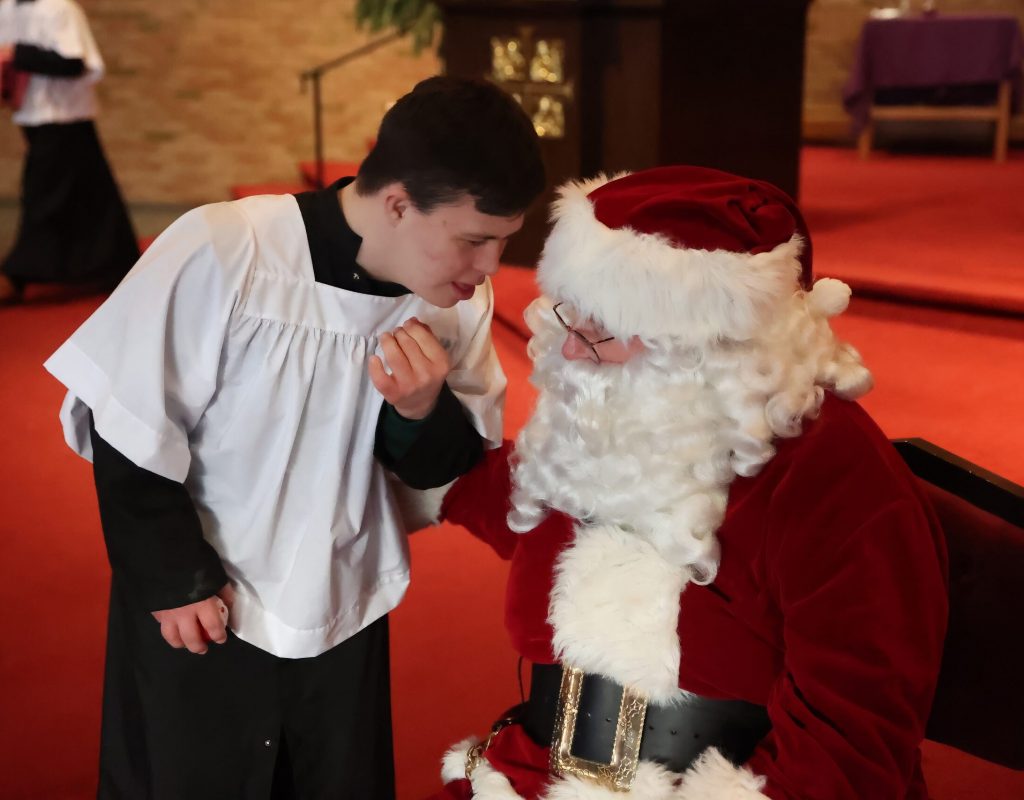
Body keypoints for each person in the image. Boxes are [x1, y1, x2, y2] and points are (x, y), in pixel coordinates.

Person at [43, 75, 545, 799]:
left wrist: (420, 410)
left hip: (343, 600)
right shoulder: (230, 251)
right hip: (204, 600)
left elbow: (450, 469)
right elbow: (127, 417)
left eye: (503, 243)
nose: (491, 267)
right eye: (475, 240)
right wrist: (174, 579)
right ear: (399, 203)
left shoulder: (453, 303)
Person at [418, 166, 948, 799]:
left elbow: (852, 739)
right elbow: (513, 505)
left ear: (703, 344)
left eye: (600, 330)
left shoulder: (833, 474)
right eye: (570, 319)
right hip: (539, 770)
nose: (569, 351)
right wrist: (417, 416)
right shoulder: (611, 417)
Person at [0, 0, 139, 305]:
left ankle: (16, 275)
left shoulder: (59, 8)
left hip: (65, 116)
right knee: (90, 191)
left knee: (44, 193)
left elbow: (73, 63)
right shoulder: (8, 7)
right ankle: (115, 262)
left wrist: (18, 53)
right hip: (33, 113)